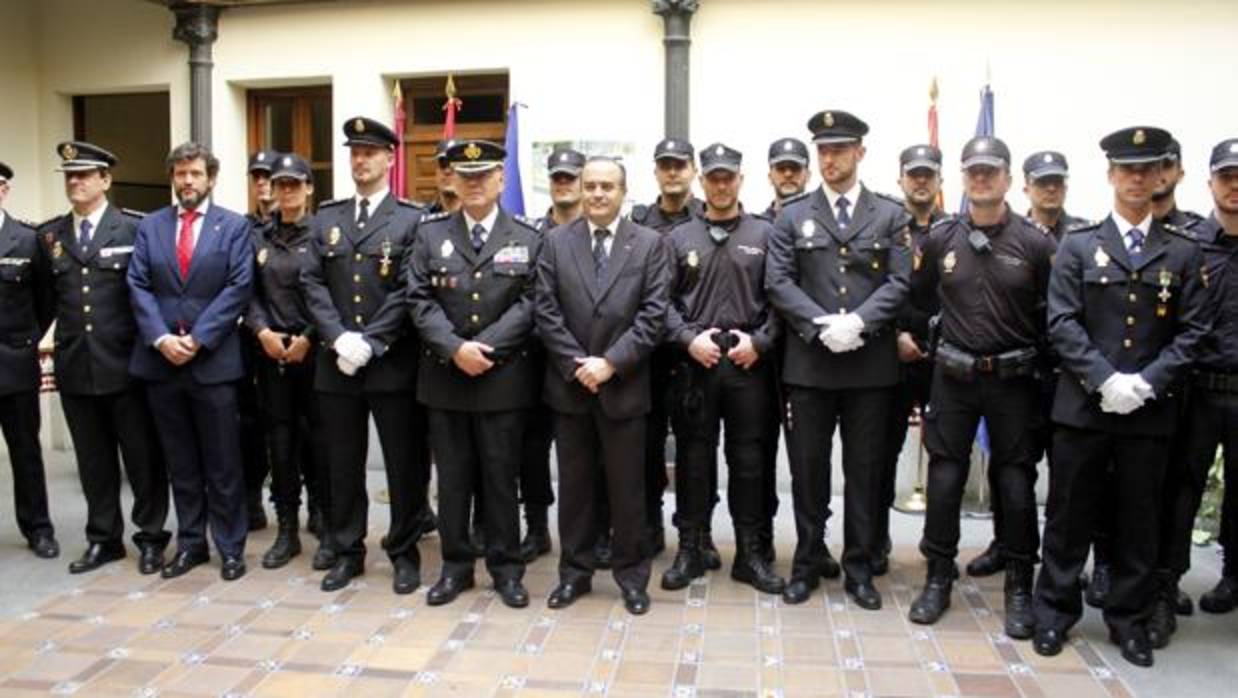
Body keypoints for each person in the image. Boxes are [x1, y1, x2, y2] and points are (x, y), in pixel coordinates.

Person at [1032, 126, 1209, 668]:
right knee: (1067, 516)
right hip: (1085, 408)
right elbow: (1060, 320)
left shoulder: (1182, 252)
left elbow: (1193, 332)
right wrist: (1105, 379)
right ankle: (1053, 613)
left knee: (1139, 520)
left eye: (1147, 169)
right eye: (1126, 169)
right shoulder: (1080, 246)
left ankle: (1128, 620)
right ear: (1110, 175)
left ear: (1162, 176)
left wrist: (1146, 383)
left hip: (1148, 414)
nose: (1136, 178)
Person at [905, 137, 1056, 642]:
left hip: (1013, 382)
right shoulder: (941, 239)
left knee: (1014, 486)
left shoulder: (1036, 244)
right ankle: (938, 577)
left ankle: (1018, 585)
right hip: (954, 378)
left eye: (991, 171)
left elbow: (1050, 315)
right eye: (973, 172)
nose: (982, 180)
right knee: (945, 482)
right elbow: (920, 301)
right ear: (963, 179)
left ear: (1010, 179)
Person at [765, 109, 912, 611]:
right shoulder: (791, 215)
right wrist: (821, 324)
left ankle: (859, 566)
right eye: (823, 151)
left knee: (865, 470)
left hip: (869, 366)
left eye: (840, 149)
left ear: (860, 153)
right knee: (809, 470)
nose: (830, 159)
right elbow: (778, 282)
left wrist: (861, 323)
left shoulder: (891, 215)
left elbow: (899, 281)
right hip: (810, 363)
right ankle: (807, 561)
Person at [408, 139, 541, 608]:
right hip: (446, 380)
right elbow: (419, 301)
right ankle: (456, 567)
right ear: (453, 182)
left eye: (483, 175)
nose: (475, 184)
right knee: (454, 481)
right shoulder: (429, 235)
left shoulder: (527, 237)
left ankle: (506, 570)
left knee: (503, 480)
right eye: (466, 177)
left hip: (502, 379)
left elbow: (532, 304)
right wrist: (455, 348)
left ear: (501, 179)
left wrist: (486, 347)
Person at [535, 157, 671, 615]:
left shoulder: (650, 244)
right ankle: (574, 574)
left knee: (626, 491)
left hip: (624, 388)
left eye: (606, 187)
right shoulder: (554, 243)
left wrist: (610, 364)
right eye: (589, 185)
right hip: (571, 389)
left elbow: (653, 316)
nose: (596, 194)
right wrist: (579, 365)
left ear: (622, 192)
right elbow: (546, 312)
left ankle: (632, 578)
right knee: (575, 489)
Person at [301, 116, 430, 594]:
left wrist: (371, 341)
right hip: (336, 365)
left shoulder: (412, 219)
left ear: (390, 159)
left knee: (404, 463)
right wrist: (338, 338)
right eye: (354, 152)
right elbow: (311, 281)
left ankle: (404, 551)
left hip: (391, 362)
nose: (361, 161)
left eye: (370, 153)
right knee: (342, 462)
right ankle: (347, 549)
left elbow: (408, 290)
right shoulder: (327, 218)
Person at [38, 142, 170, 575]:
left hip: (128, 366)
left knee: (142, 459)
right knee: (93, 461)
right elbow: (45, 303)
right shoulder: (51, 236)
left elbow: (152, 296)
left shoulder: (135, 229)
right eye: (69, 176)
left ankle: (150, 537)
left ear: (106, 180)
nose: (75, 182)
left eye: (84, 175)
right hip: (77, 366)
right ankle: (104, 538)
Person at [127, 141, 255, 581]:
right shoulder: (151, 227)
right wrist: (161, 338)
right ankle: (191, 543)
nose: (187, 182)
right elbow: (138, 285)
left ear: (211, 178)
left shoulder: (233, 227)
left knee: (222, 463)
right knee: (180, 461)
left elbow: (238, 287)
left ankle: (231, 546)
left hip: (213, 363)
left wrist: (198, 339)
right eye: (181, 174)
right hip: (161, 363)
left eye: (195, 174)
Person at [661, 143, 784, 594]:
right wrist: (687, 339)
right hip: (696, 364)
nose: (720, 184)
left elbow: (781, 299)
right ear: (701, 181)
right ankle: (691, 548)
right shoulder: (677, 239)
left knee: (749, 462)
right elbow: (661, 304)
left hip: (747, 363)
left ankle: (750, 554)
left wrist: (763, 342)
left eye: (727, 177)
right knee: (694, 460)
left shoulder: (766, 234)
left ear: (740, 180)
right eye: (712, 177)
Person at [1150, 138, 1238, 638]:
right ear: (1210, 183)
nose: (1235, 186)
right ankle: (1166, 586)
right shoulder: (1188, 245)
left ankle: (1233, 577)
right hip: (1197, 390)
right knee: (1178, 491)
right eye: (1227, 177)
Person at [245, 153, 325, 569]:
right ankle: (287, 530)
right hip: (272, 353)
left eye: (295, 184)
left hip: (313, 353)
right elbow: (249, 293)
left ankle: (325, 521)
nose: (287, 191)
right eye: (280, 185)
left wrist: (309, 337)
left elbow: (330, 293)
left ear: (309, 188)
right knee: (280, 445)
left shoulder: (323, 234)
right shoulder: (259, 237)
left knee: (320, 442)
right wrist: (262, 331)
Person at [629, 138, 707, 560]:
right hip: (651, 355)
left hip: (695, 354)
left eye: (680, 165)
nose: (673, 172)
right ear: (656, 171)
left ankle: (699, 531)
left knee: (697, 447)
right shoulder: (639, 221)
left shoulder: (709, 216)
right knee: (647, 444)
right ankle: (649, 522)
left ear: (693, 169)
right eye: (665, 165)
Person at [881, 144, 946, 574]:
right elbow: (875, 288)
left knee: (943, 454)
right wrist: (897, 335)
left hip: (941, 359)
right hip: (893, 355)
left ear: (939, 180)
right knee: (882, 452)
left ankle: (937, 545)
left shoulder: (955, 230)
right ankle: (876, 538)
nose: (920, 182)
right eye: (913, 174)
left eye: (928, 175)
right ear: (901, 178)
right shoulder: (886, 225)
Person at [0, 160, 58, 560]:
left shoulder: (26, 238)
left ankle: (38, 528)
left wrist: (26, 340)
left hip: (14, 361)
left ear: (3, 189)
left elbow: (47, 298)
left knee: (25, 449)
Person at [759, 137, 811, 221]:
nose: (788, 174)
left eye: (795, 168)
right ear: (770, 177)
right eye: (781, 168)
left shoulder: (824, 224)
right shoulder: (758, 228)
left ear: (808, 176)